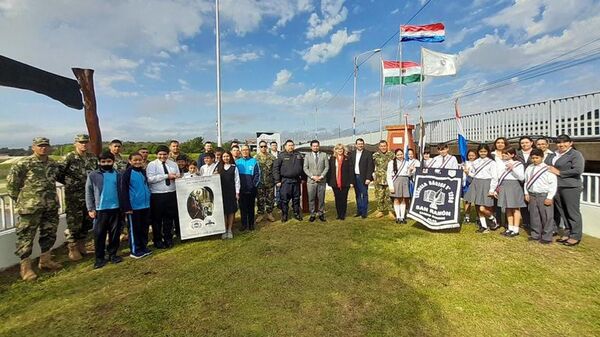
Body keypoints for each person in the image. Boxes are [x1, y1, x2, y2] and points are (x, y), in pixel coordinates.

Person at [7, 137, 62, 281]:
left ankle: (45, 261)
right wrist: (24, 200)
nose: (43, 148)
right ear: (33, 147)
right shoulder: (24, 163)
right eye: (40, 146)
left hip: (50, 205)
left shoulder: (52, 163)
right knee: (26, 236)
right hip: (30, 208)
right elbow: (12, 186)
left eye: (46, 145)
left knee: (49, 233)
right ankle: (25, 268)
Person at [60, 134, 97, 261]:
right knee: (74, 222)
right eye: (81, 142)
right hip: (74, 195)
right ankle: (72, 248)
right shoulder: (69, 157)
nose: (84, 144)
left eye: (86, 142)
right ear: (75, 143)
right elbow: (59, 173)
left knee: (87, 221)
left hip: (89, 195)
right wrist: (70, 183)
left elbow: (96, 173)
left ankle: (82, 246)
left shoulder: (92, 158)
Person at [85, 151, 124, 269]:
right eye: (103, 161)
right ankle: (99, 258)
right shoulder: (93, 175)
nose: (106, 163)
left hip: (116, 208)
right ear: (99, 162)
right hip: (100, 209)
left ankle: (112, 254)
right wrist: (90, 208)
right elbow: (89, 192)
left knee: (115, 234)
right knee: (99, 235)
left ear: (113, 162)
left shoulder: (118, 174)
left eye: (108, 161)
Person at [547, 134, 585, 246]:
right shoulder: (554, 154)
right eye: (559, 142)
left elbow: (578, 170)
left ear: (570, 143)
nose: (561, 144)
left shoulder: (575, 154)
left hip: (570, 186)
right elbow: (547, 166)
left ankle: (575, 235)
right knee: (562, 211)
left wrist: (559, 172)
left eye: (564, 142)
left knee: (572, 212)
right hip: (556, 187)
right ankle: (568, 232)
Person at [147, 145, 180, 248]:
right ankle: (157, 240)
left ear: (168, 154)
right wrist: (166, 176)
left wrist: (176, 177)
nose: (162, 156)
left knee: (169, 218)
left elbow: (178, 175)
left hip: (171, 193)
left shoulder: (173, 164)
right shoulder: (152, 165)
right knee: (157, 219)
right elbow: (150, 179)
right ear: (156, 155)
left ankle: (168, 238)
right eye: (160, 154)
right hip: (157, 195)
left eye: (165, 154)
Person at [120, 152, 152, 258]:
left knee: (144, 228)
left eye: (140, 160)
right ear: (130, 161)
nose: (138, 162)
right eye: (135, 160)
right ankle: (135, 250)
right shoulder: (127, 173)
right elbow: (123, 191)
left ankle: (144, 247)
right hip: (133, 207)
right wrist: (127, 207)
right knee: (134, 229)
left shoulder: (143, 172)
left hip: (145, 205)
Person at [490, 147, 525, 237]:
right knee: (507, 208)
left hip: (514, 185)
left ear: (512, 155)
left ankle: (516, 229)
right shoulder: (501, 164)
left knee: (515, 208)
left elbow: (521, 177)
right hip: (503, 185)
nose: (504, 155)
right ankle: (510, 228)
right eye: (503, 154)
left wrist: (513, 168)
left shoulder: (518, 164)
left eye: (507, 154)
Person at [524, 148, 557, 244]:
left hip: (544, 195)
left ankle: (547, 237)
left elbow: (553, 184)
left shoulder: (548, 169)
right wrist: (526, 193)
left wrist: (550, 197)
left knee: (547, 216)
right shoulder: (529, 168)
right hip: (532, 194)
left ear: (542, 157)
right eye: (533, 158)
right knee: (534, 216)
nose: (534, 160)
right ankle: (535, 234)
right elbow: (526, 182)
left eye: (537, 158)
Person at [464, 144, 499, 232]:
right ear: (478, 152)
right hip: (476, 183)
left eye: (484, 151)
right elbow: (474, 174)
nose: (482, 153)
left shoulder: (492, 162)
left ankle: (492, 218)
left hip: (486, 183)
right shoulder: (475, 162)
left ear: (488, 152)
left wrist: (492, 189)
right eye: (481, 151)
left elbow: (494, 177)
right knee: (477, 205)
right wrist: (468, 173)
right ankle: (483, 226)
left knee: (483, 207)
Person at [273, 140, 304, 222]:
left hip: (296, 181)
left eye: (292, 145)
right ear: (285, 146)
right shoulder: (281, 156)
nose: (291, 147)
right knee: (284, 200)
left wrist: (303, 178)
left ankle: (296, 213)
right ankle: (284, 215)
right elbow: (276, 169)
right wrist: (277, 180)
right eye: (289, 145)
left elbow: (302, 167)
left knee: (296, 199)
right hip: (285, 181)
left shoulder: (298, 155)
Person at [303, 140, 329, 222]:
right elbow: (305, 168)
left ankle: (321, 213)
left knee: (321, 198)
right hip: (311, 181)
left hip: (321, 180)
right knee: (311, 199)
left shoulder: (324, 155)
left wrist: (321, 176)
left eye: (317, 146)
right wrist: (312, 176)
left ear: (319, 146)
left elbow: (326, 167)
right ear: (311, 147)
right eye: (314, 146)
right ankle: (312, 214)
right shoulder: (307, 156)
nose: (315, 147)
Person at [236, 145, 260, 231]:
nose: (245, 151)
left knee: (251, 208)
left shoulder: (254, 161)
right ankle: (243, 224)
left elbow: (257, 175)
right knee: (242, 208)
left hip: (251, 189)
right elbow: (235, 177)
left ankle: (251, 224)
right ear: (241, 151)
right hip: (241, 189)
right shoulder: (237, 162)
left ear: (249, 151)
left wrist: (254, 186)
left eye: (246, 150)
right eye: (243, 150)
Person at [327, 144, 353, 220]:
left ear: (344, 150)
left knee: (344, 199)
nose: (340, 150)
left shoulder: (347, 158)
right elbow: (330, 170)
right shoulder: (332, 158)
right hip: (335, 182)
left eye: (341, 149)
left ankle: (343, 214)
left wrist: (351, 181)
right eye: (338, 149)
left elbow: (351, 170)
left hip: (345, 182)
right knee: (337, 199)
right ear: (335, 150)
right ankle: (338, 214)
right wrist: (329, 181)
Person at [217, 151, 240, 239]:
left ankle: (229, 229)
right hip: (221, 192)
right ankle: (224, 229)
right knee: (223, 211)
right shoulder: (218, 167)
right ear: (221, 158)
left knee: (231, 211)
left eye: (227, 156)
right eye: (224, 156)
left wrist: (237, 193)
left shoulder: (234, 168)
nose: (226, 158)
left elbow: (237, 181)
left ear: (230, 157)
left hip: (231, 192)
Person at [349, 138, 374, 218]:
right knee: (358, 195)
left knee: (364, 194)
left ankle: (364, 212)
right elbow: (350, 167)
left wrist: (368, 178)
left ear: (364, 144)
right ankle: (359, 211)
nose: (360, 145)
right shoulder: (352, 154)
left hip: (363, 177)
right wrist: (351, 180)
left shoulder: (368, 153)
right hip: (355, 177)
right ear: (356, 145)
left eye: (361, 144)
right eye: (358, 144)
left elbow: (370, 167)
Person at [387, 149, 412, 224]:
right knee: (396, 199)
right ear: (395, 155)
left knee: (404, 199)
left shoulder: (407, 162)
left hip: (405, 181)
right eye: (398, 155)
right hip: (396, 182)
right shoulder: (391, 163)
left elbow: (409, 175)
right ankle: (398, 216)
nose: (400, 156)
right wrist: (391, 186)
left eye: (401, 154)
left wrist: (410, 170)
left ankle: (402, 217)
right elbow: (388, 175)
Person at [372, 140, 395, 219]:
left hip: (389, 179)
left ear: (387, 146)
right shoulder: (375, 155)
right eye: (381, 146)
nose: (383, 147)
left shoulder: (392, 155)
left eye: (384, 146)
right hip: (379, 179)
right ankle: (380, 211)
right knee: (380, 195)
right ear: (379, 147)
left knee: (389, 196)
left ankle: (390, 212)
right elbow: (373, 165)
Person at [255, 140, 276, 223]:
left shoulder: (272, 158)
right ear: (259, 147)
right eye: (261, 146)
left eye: (264, 146)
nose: (263, 148)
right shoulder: (255, 158)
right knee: (260, 199)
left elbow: (275, 170)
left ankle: (269, 214)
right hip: (260, 182)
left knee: (270, 199)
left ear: (267, 147)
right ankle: (260, 214)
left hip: (270, 182)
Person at [461, 149, 478, 224]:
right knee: (467, 201)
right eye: (469, 155)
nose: (471, 157)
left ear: (476, 156)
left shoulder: (478, 163)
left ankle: (478, 217)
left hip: (476, 183)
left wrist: (469, 173)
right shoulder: (465, 163)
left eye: (473, 155)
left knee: (477, 201)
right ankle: (467, 217)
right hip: (467, 184)